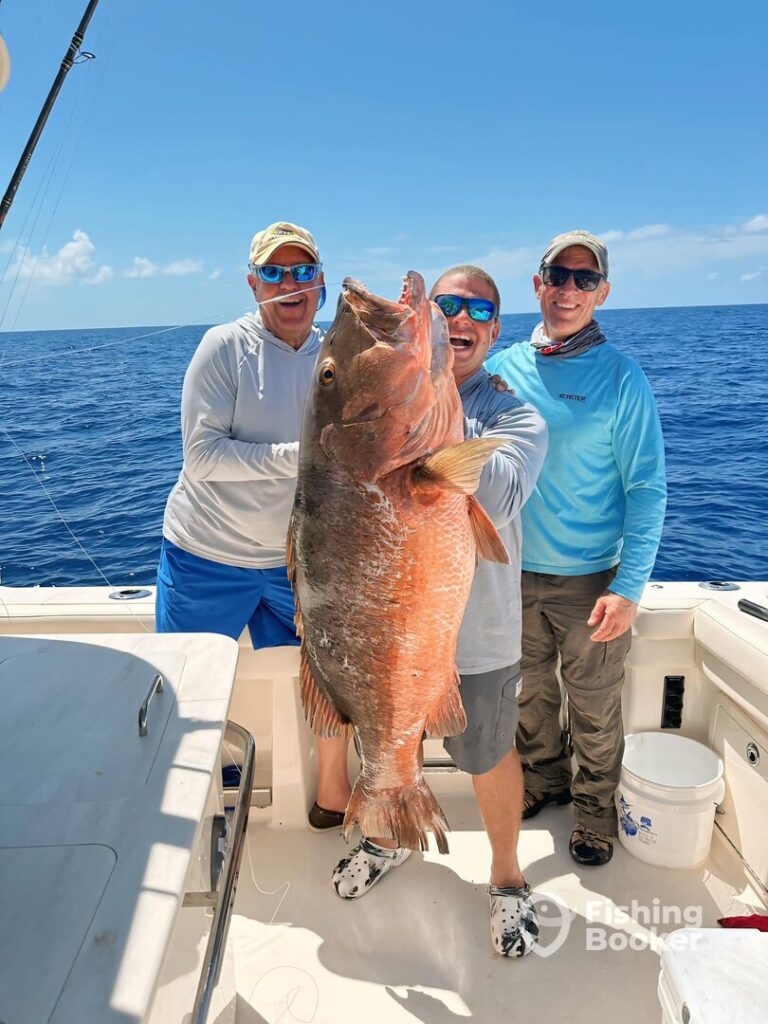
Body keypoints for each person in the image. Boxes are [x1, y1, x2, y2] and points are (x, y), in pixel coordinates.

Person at [317, 265, 549, 959]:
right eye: (447, 305)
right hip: (389, 634)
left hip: (476, 638)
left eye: (478, 308)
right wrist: (411, 427)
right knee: (392, 738)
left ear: (495, 330)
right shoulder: (425, 409)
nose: (459, 316)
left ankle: (508, 880)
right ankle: (386, 834)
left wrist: (417, 439)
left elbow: (501, 496)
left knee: (487, 752)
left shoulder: (515, 413)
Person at [486, 230, 667, 867]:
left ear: (603, 293)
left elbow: (647, 488)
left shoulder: (622, 377)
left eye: (584, 280)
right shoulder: (503, 368)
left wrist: (630, 586)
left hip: (593, 579)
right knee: (529, 694)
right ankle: (544, 780)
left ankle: (594, 810)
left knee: (593, 706)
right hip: (509, 573)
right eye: (558, 275)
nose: (569, 289)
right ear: (537, 284)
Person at [155, 221, 325, 650]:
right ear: (254, 285)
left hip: (294, 565)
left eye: (303, 272)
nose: (290, 284)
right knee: (184, 688)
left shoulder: (334, 356)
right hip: (206, 559)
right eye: (273, 273)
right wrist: (305, 456)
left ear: (320, 281)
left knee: (304, 696)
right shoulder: (224, 345)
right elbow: (203, 458)